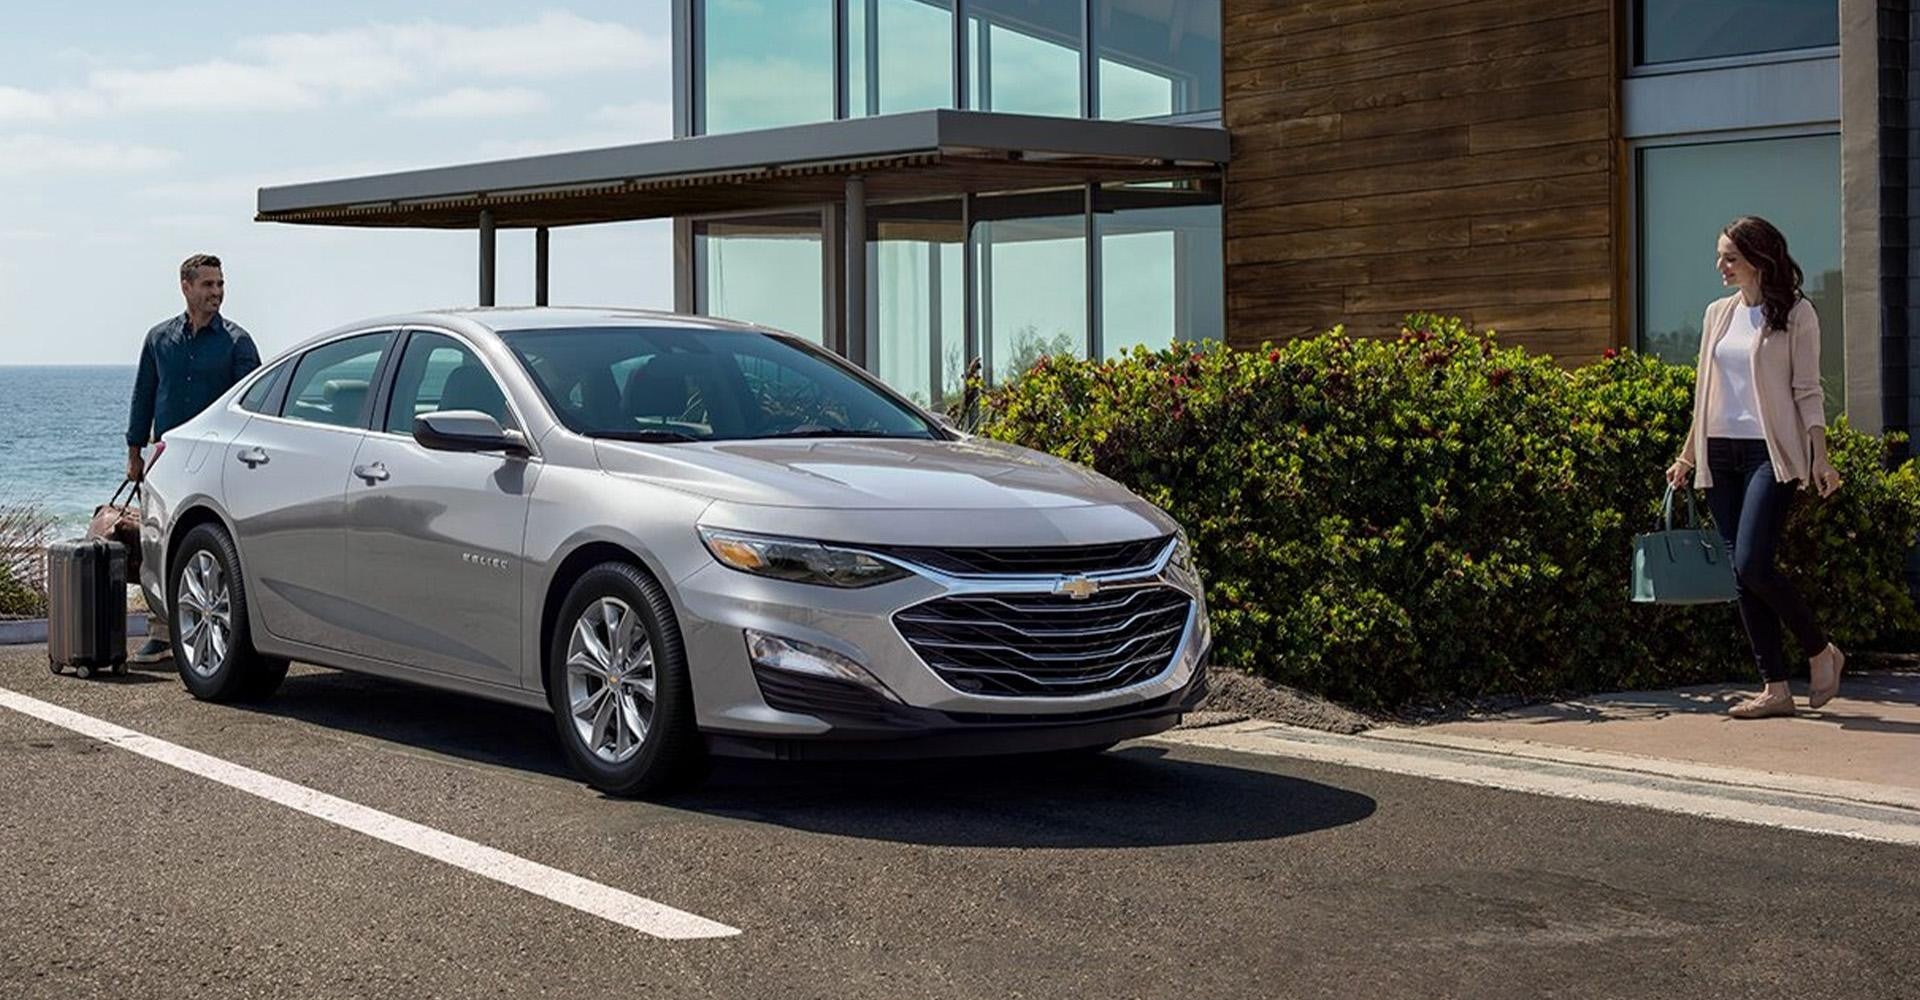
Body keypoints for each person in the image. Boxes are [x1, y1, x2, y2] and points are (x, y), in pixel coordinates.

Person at [1665, 216, 1844, 719]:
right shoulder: (1717, 314)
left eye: (1730, 257)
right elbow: (1705, 393)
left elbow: (1807, 392)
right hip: (1720, 452)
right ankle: (1776, 688)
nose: (1720, 265)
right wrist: (1688, 454)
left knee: (1753, 562)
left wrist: (1820, 457)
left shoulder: (1796, 314)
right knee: (1741, 574)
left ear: (1759, 260)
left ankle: (1820, 650)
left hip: (1770, 453)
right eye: (1721, 255)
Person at [124, 254, 261, 663]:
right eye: (208, 285)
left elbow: (252, 410)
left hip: (215, 461)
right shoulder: (158, 338)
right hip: (166, 460)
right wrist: (134, 454)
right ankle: (163, 630)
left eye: (220, 285)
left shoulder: (238, 343)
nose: (216, 293)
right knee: (157, 544)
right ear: (186, 286)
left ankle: (220, 630)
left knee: (204, 543)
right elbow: (143, 396)